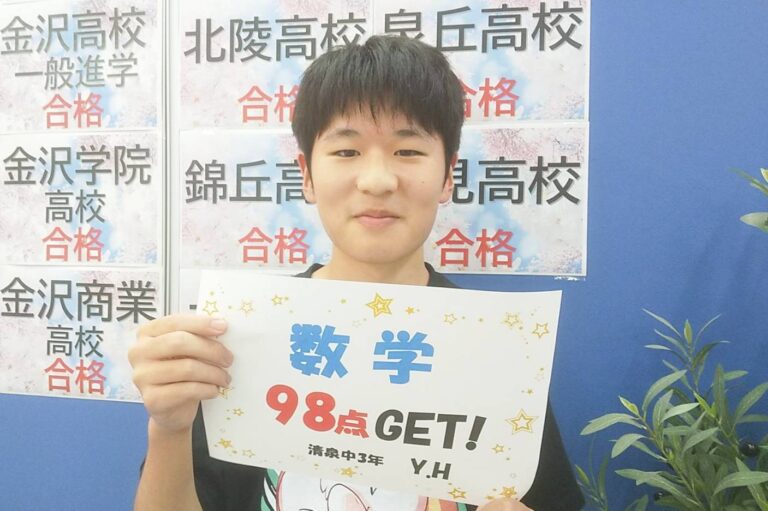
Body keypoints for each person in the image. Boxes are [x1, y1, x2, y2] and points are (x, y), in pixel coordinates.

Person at [129, 35, 584, 511]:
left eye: (408, 151)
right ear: (307, 174)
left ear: (448, 174)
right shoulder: (239, 342)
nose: (377, 181)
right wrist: (168, 428)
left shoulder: (494, 347)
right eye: (347, 152)